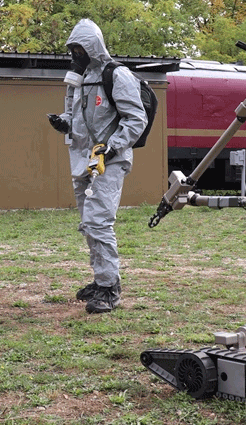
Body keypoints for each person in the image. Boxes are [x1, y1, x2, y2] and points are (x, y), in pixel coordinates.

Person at [47, 19, 147, 314]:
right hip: (83, 160)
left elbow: (135, 120)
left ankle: (109, 287)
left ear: (92, 46)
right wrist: (63, 123)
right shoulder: (79, 79)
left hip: (109, 160)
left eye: (80, 47)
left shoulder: (117, 75)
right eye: (72, 48)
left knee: (99, 223)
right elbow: (77, 117)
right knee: (89, 224)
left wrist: (111, 146)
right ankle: (100, 279)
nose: (75, 53)